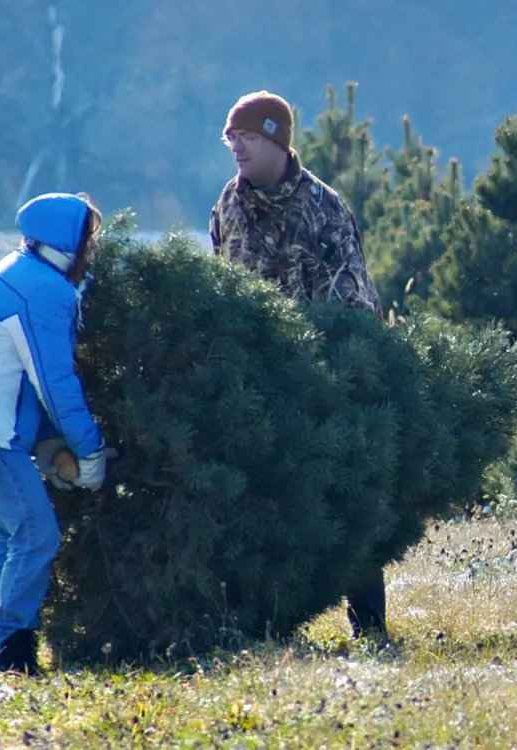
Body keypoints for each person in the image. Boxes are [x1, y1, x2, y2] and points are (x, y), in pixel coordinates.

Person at [209, 90, 390, 643]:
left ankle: (370, 628)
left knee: (344, 504)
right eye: (230, 138)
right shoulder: (228, 206)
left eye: (247, 137)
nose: (236, 147)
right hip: (254, 386)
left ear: (277, 140)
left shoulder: (323, 207)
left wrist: (338, 383)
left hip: (321, 384)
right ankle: (266, 628)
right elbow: (220, 286)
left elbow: (354, 304)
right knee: (261, 508)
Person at [0, 192, 110, 675]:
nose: (91, 249)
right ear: (65, 243)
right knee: (36, 534)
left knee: (11, 534)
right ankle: (11, 651)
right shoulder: (43, 290)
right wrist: (90, 451)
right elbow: (54, 384)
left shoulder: (20, 272)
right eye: (87, 239)